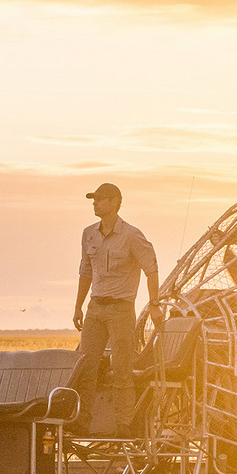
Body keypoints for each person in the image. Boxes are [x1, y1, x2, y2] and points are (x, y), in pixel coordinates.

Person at [73, 182, 160, 437]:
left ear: (115, 202)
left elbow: (151, 269)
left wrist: (154, 304)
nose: (95, 203)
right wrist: (78, 306)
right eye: (94, 199)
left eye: (100, 199)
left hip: (121, 309)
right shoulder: (88, 233)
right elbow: (85, 272)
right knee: (86, 366)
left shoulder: (132, 235)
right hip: (95, 308)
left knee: (121, 367)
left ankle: (124, 423)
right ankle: (82, 421)